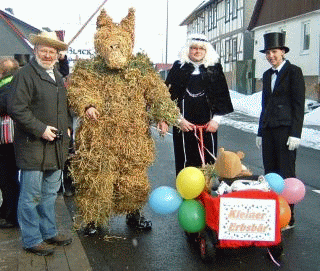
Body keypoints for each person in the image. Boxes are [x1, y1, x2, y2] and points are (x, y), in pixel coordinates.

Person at [8, 31, 73, 256]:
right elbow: (17, 108)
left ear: (57, 54)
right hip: (33, 145)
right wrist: (41, 129)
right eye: (43, 50)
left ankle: (48, 232)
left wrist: (66, 126)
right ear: (35, 51)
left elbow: (61, 107)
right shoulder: (25, 74)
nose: (47, 55)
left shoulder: (56, 75)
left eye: (51, 51)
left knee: (48, 195)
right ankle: (32, 239)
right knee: (30, 197)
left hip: (55, 146)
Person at [256, 32, 305, 230]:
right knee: (270, 174)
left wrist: (296, 133)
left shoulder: (294, 72)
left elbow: (298, 105)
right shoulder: (267, 75)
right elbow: (265, 105)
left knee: (285, 173)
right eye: (268, 53)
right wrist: (260, 131)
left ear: (283, 52)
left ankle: (288, 217)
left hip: (285, 131)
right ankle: (273, 213)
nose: (271, 56)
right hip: (269, 130)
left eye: (274, 52)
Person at [165, 34, 234, 175]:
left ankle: (205, 195)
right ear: (187, 49)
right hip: (183, 127)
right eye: (193, 48)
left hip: (208, 127)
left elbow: (221, 97)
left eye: (201, 49)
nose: (197, 51)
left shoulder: (214, 68)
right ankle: (185, 194)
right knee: (185, 163)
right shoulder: (178, 68)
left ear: (206, 50)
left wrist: (216, 121)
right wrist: (178, 120)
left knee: (207, 163)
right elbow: (167, 98)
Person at [0, 58, 20, 229]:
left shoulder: (7, 86)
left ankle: (12, 216)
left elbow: (6, 106)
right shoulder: (18, 83)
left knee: (7, 179)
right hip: (14, 140)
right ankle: (7, 211)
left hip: (7, 141)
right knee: (10, 179)